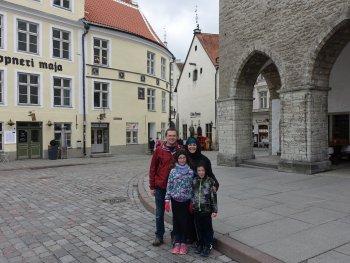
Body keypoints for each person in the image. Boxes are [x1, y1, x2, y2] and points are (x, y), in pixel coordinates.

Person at [149, 128, 182, 246]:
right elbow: (153, 168)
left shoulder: (181, 150)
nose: (172, 137)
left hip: (176, 188)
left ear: (177, 137)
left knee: (177, 214)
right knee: (159, 213)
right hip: (161, 186)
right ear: (165, 137)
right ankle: (159, 235)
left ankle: (175, 235)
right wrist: (152, 186)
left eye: (174, 135)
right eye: (170, 135)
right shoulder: (158, 150)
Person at [185, 137, 219, 244]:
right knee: (190, 218)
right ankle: (193, 237)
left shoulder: (204, 159)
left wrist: (216, 185)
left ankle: (207, 241)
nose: (192, 147)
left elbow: (210, 175)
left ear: (197, 146)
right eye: (190, 145)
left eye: (194, 144)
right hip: (188, 194)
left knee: (203, 221)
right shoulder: (184, 158)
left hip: (202, 197)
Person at [165, 150, 194, 254]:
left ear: (186, 159)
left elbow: (192, 187)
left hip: (186, 201)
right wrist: (167, 200)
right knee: (177, 221)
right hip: (175, 200)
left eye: (184, 158)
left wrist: (191, 201)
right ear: (177, 159)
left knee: (184, 222)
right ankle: (177, 242)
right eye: (180, 158)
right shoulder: (173, 171)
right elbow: (169, 185)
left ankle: (183, 243)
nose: (182, 160)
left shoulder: (190, 172)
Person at [191, 161, 218, 257]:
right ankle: (201, 244)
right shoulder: (194, 181)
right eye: (199, 170)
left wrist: (214, 210)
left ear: (205, 171)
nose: (201, 172)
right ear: (196, 171)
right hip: (196, 210)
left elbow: (213, 197)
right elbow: (192, 194)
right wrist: (192, 205)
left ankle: (208, 245)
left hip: (206, 210)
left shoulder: (210, 181)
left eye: (202, 170)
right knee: (199, 228)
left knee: (207, 229)